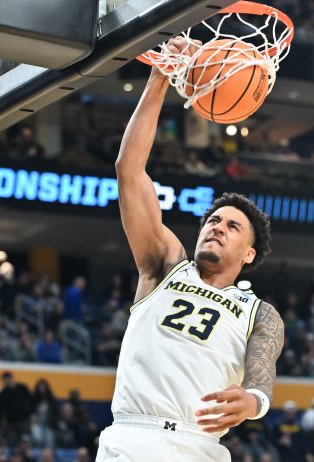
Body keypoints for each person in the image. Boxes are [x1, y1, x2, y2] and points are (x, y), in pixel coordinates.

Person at [96, 36, 283, 462]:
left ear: (249, 254)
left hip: (200, 447)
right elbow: (129, 170)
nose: (217, 227)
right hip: (132, 435)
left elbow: (261, 370)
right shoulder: (164, 266)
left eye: (233, 226)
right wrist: (161, 74)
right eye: (213, 221)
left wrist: (254, 401)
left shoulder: (260, 313)